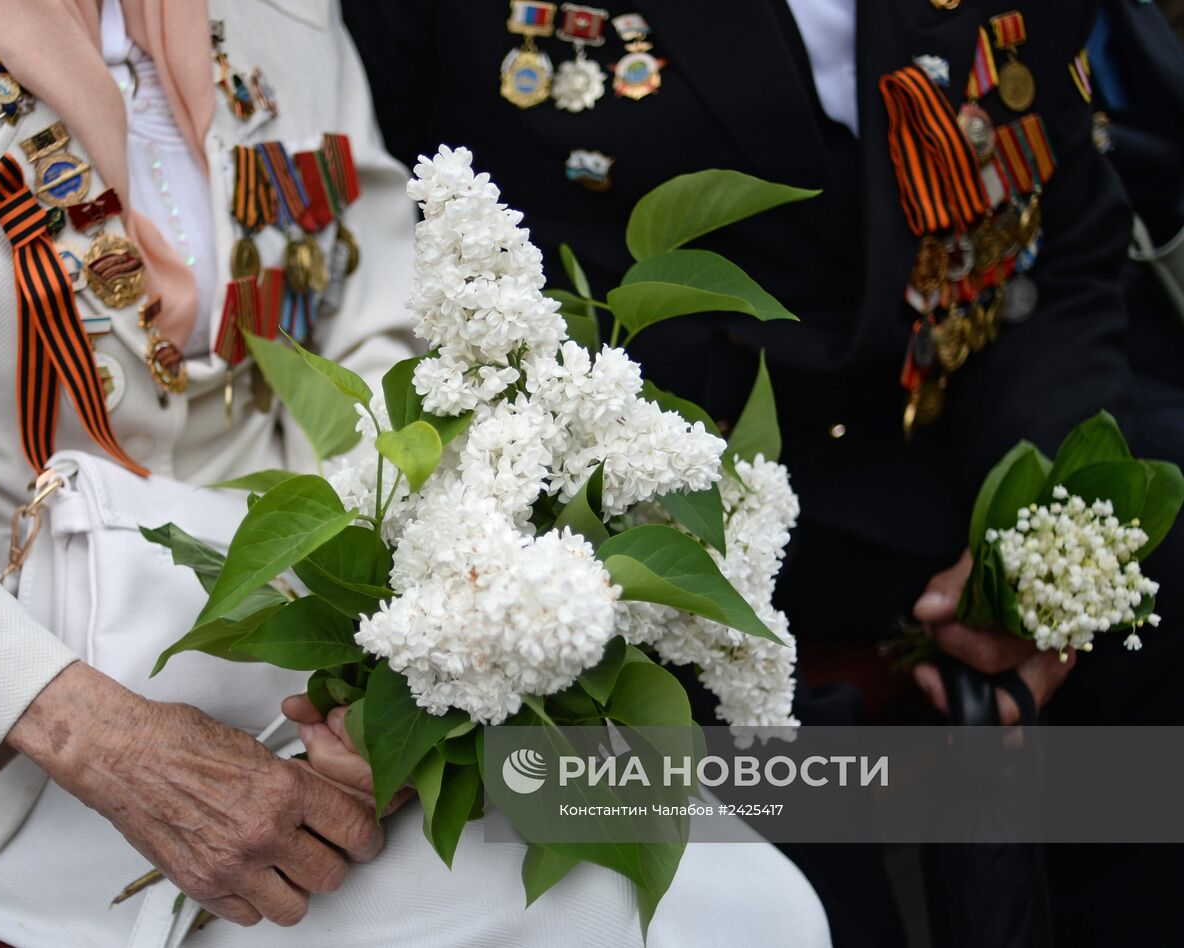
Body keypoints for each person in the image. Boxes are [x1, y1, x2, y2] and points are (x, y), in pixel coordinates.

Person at [0, 0, 830, 944]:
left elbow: (377, 329)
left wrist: (391, 655)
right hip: (20, 753)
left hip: (314, 678)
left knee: (744, 904)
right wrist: (96, 736)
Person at [343, 0, 1150, 944]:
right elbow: (388, 260)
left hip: (942, 463)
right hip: (634, 551)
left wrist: (1041, 550)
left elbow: (1061, 245)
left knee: (1143, 763)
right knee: (778, 913)